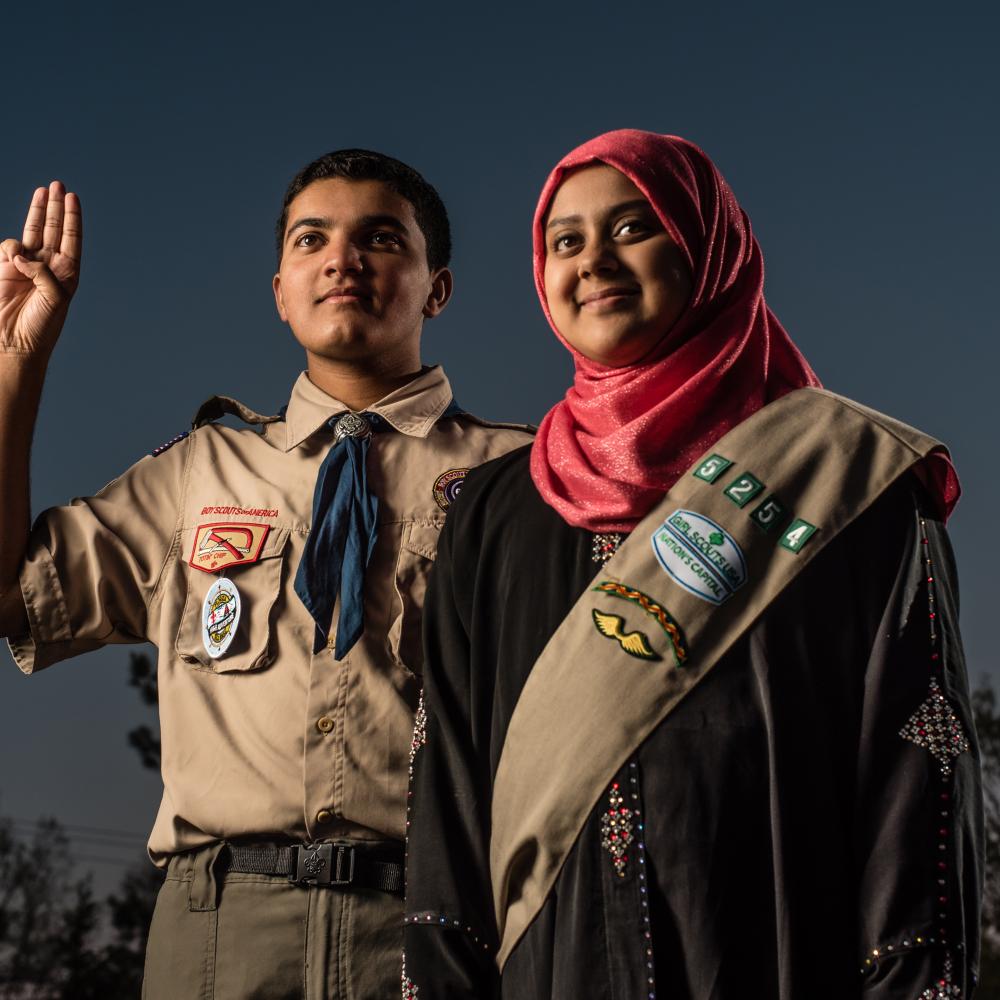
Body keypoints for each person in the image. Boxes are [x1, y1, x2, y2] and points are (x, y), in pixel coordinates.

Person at [402, 130, 983, 999]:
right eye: (565, 241)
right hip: (550, 967)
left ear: (710, 249)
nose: (594, 261)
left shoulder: (848, 481)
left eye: (635, 228)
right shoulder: (489, 512)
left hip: (783, 955)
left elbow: (917, 774)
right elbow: (447, 792)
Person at [0, 149, 532, 997]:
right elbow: (15, 595)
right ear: (281, 290)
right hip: (219, 931)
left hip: (437, 925)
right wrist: (15, 364)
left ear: (438, 288)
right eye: (311, 239)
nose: (342, 259)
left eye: (382, 239)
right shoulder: (198, 473)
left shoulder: (523, 477)